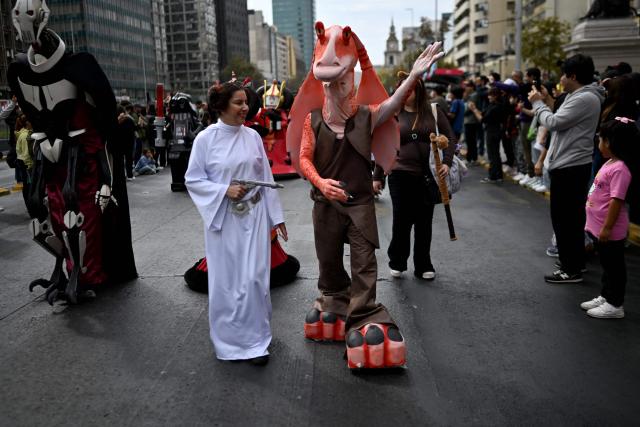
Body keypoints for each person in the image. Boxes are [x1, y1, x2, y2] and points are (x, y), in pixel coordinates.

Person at [287, 22, 444, 369]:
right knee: (328, 262)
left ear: (352, 84)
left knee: (364, 265)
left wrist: (414, 75)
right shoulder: (313, 121)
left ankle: (364, 316)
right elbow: (303, 158)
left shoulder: (365, 116)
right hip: (325, 205)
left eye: (342, 83)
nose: (336, 90)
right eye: (330, 84)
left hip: (359, 206)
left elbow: (392, 104)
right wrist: (320, 182)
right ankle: (333, 301)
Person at [185, 81, 286, 366]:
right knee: (227, 283)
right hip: (224, 222)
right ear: (222, 106)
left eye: (246, 103)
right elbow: (193, 179)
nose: (245, 108)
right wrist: (224, 191)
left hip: (254, 220)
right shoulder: (205, 139)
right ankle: (229, 344)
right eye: (239, 103)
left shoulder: (253, 136)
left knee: (255, 279)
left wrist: (275, 218)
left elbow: (266, 177)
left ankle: (257, 342)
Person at [529, 54, 605, 284]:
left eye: (563, 74)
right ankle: (573, 263)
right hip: (569, 164)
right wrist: (547, 101)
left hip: (571, 166)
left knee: (566, 220)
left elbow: (553, 122)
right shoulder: (580, 96)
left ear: (573, 76)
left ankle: (570, 268)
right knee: (569, 219)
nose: (561, 78)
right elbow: (561, 116)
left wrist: (537, 103)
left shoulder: (585, 98)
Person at [373, 72, 455, 281]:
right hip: (400, 174)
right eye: (404, 87)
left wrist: (446, 162)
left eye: (411, 87)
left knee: (424, 221)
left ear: (418, 90)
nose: (407, 91)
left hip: (427, 175)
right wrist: (378, 176)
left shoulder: (433, 111)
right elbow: (384, 145)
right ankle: (398, 261)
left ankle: (423, 264)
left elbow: (450, 138)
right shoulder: (392, 113)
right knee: (401, 219)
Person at [581, 118, 637, 318]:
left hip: (609, 230)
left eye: (601, 140)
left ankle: (615, 305)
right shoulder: (611, 163)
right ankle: (606, 295)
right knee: (607, 265)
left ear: (612, 142)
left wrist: (606, 227)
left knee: (614, 268)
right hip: (600, 228)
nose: (599, 143)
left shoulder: (621, 169)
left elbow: (616, 200)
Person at [469, 87, 506, 183]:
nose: (489, 97)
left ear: (496, 96)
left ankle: (493, 176)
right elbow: (483, 114)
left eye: (491, 95)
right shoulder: (494, 105)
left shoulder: (495, 107)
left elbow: (482, 119)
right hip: (495, 131)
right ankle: (498, 175)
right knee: (495, 154)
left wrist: (473, 110)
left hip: (492, 132)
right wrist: (476, 109)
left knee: (492, 155)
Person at [14, 114, 36, 217]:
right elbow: (27, 154)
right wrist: (30, 167)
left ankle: (30, 209)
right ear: (27, 123)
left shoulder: (20, 134)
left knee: (27, 188)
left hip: (21, 164)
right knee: (30, 188)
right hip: (27, 165)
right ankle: (32, 210)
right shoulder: (26, 135)